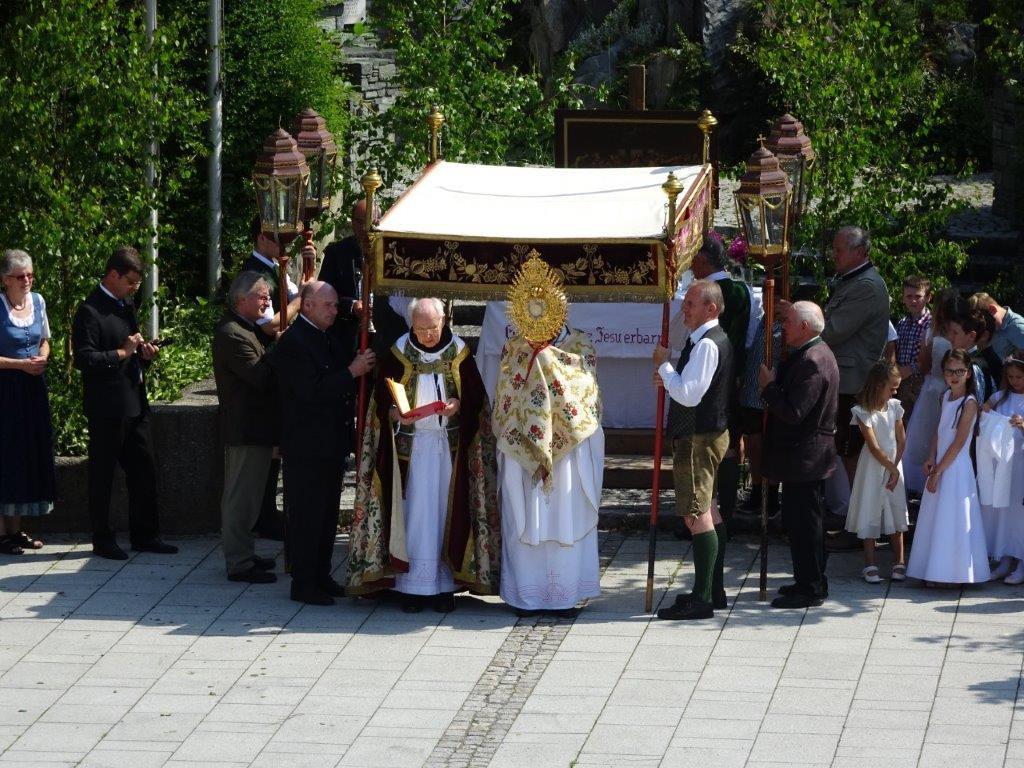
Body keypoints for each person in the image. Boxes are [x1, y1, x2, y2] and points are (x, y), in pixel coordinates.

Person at [347, 297, 500, 611]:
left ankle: (444, 587)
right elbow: (380, 401)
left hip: (448, 450)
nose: (428, 335)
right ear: (411, 326)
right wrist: (395, 413)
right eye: (420, 329)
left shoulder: (459, 352)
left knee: (446, 512)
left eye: (432, 328)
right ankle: (411, 588)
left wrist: (458, 405)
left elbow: (476, 399)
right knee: (413, 515)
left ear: (443, 321)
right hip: (411, 451)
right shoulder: (400, 351)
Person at [494, 299, 604, 618]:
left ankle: (564, 596)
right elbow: (505, 395)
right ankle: (525, 596)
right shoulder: (515, 348)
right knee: (523, 517)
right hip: (522, 450)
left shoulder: (580, 345)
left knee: (564, 518)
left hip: (568, 451)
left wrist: (548, 362)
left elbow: (586, 394)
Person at [270, 281, 375, 605]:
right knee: (307, 514)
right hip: (307, 444)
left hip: (330, 441)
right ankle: (303, 582)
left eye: (335, 305)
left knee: (327, 513)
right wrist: (351, 372)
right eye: (328, 305)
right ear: (307, 306)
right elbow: (311, 390)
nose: (334, 310)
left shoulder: (324, 336)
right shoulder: (295, 341)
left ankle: (321, 573)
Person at [72, 246, 177, 560]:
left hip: (134, 400)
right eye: (130, 282)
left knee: (144, 470)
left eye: (137, 284)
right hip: (107, 407)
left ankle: (145, 534)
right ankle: (102, 538)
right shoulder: (90, 311)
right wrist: (122, 353)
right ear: (113, 275)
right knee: (103, 475)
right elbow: (84, 359)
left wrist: (144, 354)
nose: (134, 288)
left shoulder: (126, 305)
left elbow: (131, 348)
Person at [652, 280, 733, 621]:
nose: (684, 309)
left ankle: (702, 598)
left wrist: (664, 366)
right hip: (706, 434)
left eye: (690, 304)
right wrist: (670, 378)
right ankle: (713, 589)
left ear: (710, 308)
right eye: (685, 303)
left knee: (696, 514)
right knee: (709, 510)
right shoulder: (706, 341)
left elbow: (689, 394)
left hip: (697, 439)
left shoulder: (707, 345)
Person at [758, 301, 839, 609]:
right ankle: (808, 578)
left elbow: (794, 412)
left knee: (806, 524)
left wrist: (769, 388)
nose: (784, 327)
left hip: (806, 457)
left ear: (804, 326)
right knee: (800, 522)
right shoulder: (812, 354)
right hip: (803, 457)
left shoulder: (813, 361)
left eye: (789, 321)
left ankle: (811, 586)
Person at [242, 219, 314, 541]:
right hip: (265, 362)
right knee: (270, 445)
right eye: (278, 238)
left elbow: (298, 295)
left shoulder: (275, 267)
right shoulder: (255, 273)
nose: (285, 244)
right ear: (262, 238)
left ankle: (268, 512)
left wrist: (308, 273)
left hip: (279, 363)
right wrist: (300, 300)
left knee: (276, 444)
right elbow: (270, 323)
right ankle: (264, 515)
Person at [689, 233, 761, 523]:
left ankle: (702, 517)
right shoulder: (743, 290)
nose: (689, 264)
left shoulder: (702, 292)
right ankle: (725, 514)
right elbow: (750, 338)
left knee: (702, 446)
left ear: (703, 259)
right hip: (733, 378)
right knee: (729, 444)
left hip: (704, 376)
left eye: (692, 258)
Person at [212, 272, 279, 584]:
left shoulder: (246, 329)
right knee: (241, 497)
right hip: (245, 428)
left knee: (250, 497)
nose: (267, 301)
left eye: (268, 296)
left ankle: (245, 552)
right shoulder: (232, 334)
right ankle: (238, 562)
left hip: (256, 427)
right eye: (262, 296)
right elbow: (260, 377)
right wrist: (282, 348)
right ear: (241, 299)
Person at [906, 349, 990, 586]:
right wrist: (931, 456)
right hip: (941, 463)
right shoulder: (945, 397)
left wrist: (938, 472)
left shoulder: (969, 403)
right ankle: (934, 570)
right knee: (936, 518)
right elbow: (939, 431)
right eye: (949, 371)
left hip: (956, 468)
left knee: (954, 519)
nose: (954, 376)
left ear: (968, 373)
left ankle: (954, 574)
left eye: (959, 371)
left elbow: (959, 442)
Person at [821, 226, 890, 488]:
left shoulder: (866, 286)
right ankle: (849, 505)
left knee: (851, 452)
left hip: (853, 383)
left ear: (859, 252)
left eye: (839, 250)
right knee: (843, 449)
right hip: (846, 380)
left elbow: (833, 330)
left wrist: (802, 321)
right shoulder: (851, 281)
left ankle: (859, 508)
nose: (834, 255)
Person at [0, 250, 55, 555]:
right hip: (4, 389)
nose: (27, 280)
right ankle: (1, 534)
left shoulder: (38, 302)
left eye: (30, 275)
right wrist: (19, 365)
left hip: (31, 388)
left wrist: (41, 358)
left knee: (23, 456)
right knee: (4, 457)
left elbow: (44, 340)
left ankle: (15, 530)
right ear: (5, 279)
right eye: (20, 276)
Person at [843, 360, 909, 583]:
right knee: (870, 508)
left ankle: (899, 560)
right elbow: (873, 446)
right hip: (872, 466)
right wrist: (890, 468)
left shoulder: (895, 407)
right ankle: (870, 563)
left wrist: (895, 468)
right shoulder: (863, 411)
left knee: (896, 509)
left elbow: (901, 440)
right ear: (879, 385)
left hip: (894, 465)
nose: (895, 392)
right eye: (892, 387)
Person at [903, 291, 953, 495]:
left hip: (932, 386)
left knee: (924, 432)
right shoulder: (954, 332)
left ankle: (920, 480)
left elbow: (924, 366)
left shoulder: (931, 333)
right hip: (943, 387)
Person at [980, 355, 1024, 584]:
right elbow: (983, 413)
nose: (1015, 381)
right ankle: (1005, 558)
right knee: (1004, 512)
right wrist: (988, 415)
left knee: (1019, 514)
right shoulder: (999, 397)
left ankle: (1022, 562)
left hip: (1021, 466)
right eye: (1011, 376)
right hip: (1003, 465)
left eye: (1019, 377)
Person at [317, 200, 368, 356]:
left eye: (369, 222)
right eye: (359, 222)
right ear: (352, 222)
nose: (364, 228)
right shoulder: (336, 253)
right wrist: (351, 306)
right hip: (345, 339)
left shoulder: (389, 252)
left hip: (380, 339)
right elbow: (323, 294)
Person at [894, 275, 932, 420]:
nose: (913, 300)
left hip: (920, 383)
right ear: (903, 299)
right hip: (901, 383)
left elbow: (934, 357)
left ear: (928, 297)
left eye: (918, 296)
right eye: (909, 296)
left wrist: (911, 369)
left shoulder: (932, 325)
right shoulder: (902, 323)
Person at [946, 304, 996, 404]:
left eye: (955, 333)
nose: (950, 337)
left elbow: (978, 402)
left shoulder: (974, 366)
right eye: (950, 331)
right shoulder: (962, 359)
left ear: (972, 336)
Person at [971, 291, 1024, 370]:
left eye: (986, 324)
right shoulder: (997, 326)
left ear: (993, 309)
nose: (985, 330)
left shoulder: (1017, 327)